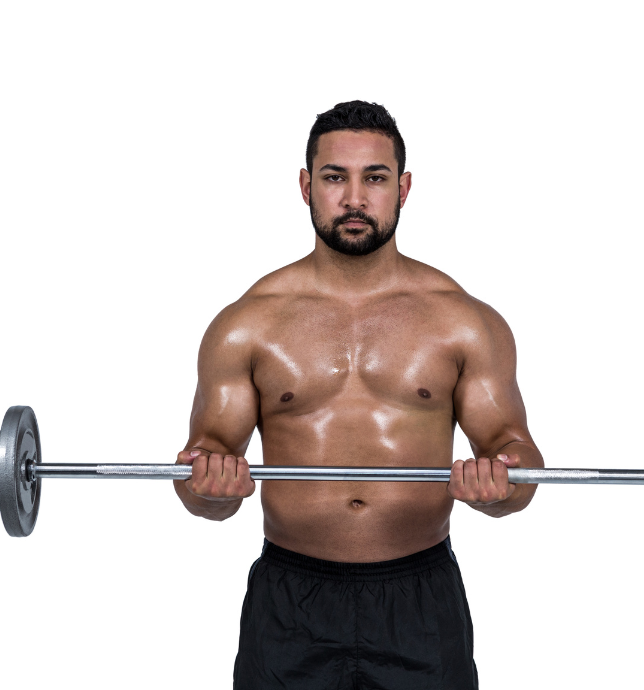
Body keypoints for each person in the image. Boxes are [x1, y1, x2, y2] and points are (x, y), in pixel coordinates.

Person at [174, 100, 543, 689]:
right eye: (334, 177)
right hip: (289, 603)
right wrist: (212, 489)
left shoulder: (464, 323)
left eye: (374, 178)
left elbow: (516, 455)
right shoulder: (247, 325)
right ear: (305, 186)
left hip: (420, 600)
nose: (354, 199)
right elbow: (202, 471)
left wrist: (500, 487)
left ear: (403, 188)